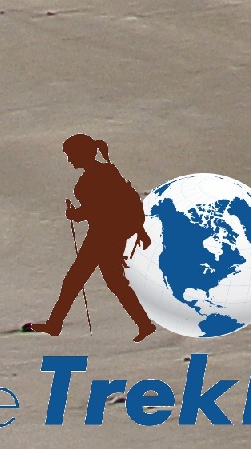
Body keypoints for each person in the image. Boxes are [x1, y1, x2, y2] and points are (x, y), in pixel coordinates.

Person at [23, 134, 156, 342]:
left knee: (79, 280)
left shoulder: (98, 176)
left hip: (104, 236)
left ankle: (55, 324)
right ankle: (144, 324)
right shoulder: (104, 173)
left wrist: (76, 214)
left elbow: (101, 209)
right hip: (107, 235)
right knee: (108, 281)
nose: (69, 160)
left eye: (71, 155)